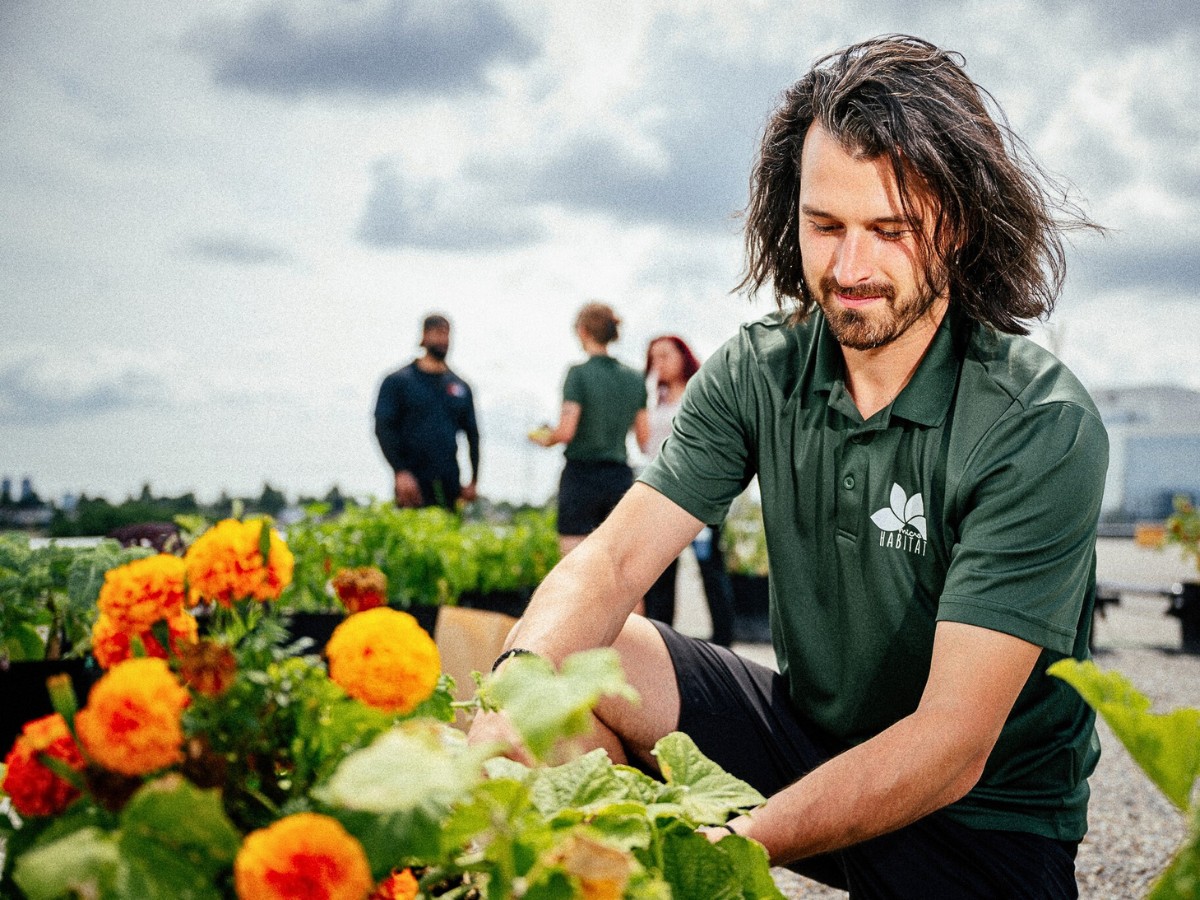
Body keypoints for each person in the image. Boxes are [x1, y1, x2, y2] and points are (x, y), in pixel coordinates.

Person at [473, 35, 1108, 898]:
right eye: (826, 226)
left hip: (982, 818)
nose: (849, 268)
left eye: (891, 230)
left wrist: (728, 841)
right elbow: (614, 561)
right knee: (582, 659)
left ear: (954, 225)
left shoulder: (1037, 424)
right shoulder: (761, 369)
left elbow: (952, 746)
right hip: (809, 741)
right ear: (791, 214)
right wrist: (510, 693)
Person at [530, 302, 649, 558]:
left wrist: (545, 438)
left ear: (583, 331)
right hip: (620, 478)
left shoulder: (578, 374)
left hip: (582, 477)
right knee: (623, 568)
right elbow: (644, 439)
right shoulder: (635, 378)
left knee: (574, 562)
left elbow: (566, 432)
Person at [641, 335, 736, 646]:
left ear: (683, 356)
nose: (660, 363)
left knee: (711, 571)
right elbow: (646, 448)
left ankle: (723, 643)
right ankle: (661, 643)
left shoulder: (701, 393)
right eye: (654, 358)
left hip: (701, 493)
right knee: (660, 575)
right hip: (662, 496)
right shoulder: (655, 402)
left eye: (666, 355)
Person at [373, 313, 479, 510]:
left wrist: (473, 480)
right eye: (437, 333)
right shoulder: (398, 382)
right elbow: (383, 428)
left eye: (447, 334)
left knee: (448, 538)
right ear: (424, 336)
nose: (443, 340)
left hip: (449, 482)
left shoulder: (460, 387)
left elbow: (473, 435)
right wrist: (400, 471)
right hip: (412, 485)